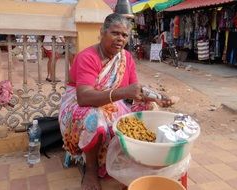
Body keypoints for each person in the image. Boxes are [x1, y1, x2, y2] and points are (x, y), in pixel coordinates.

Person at [59, 13, 173, 190]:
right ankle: (91, 169)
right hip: (80, 101)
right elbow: (84, 97)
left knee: (149, 106)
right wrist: (123, 92)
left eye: (125, 35)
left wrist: (157, 96)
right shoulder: (88, 57)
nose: (120, 39)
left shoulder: (126, 58)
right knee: (94, 119)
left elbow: (136, 89)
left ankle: (135, 156)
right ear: (102, 32)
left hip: (112, 99)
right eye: (115, 33)